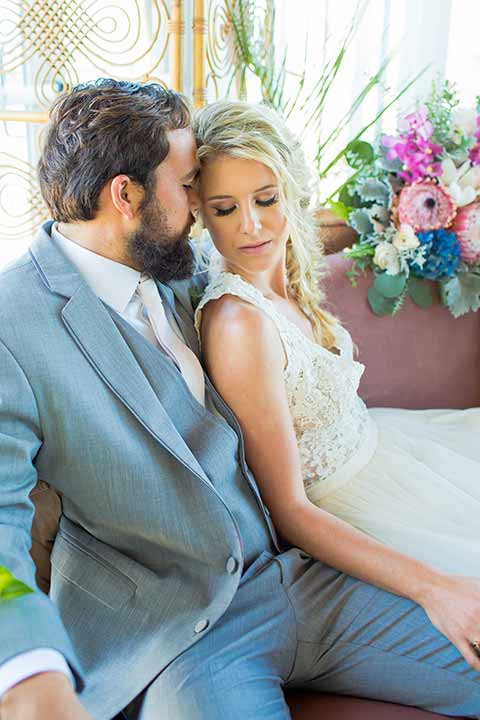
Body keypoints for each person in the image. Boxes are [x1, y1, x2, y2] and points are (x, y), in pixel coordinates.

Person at [0, 80, 478, 720]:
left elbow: (273, 241)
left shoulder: (181, 263)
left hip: (303, 578)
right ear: (126, 195)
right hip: (177, 631)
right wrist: (30, 675)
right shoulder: (13, 324)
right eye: (187, 181)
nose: (198, 205)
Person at [192, 99, 480, 664]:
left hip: (396, 457)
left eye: (265, 200)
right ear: (200, 213)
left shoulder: (282, 277)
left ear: (291, 194)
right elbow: (290, 510)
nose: (249, 225)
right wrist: (430, 586)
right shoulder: (238, 324)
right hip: (360, 512)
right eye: (224, 209)